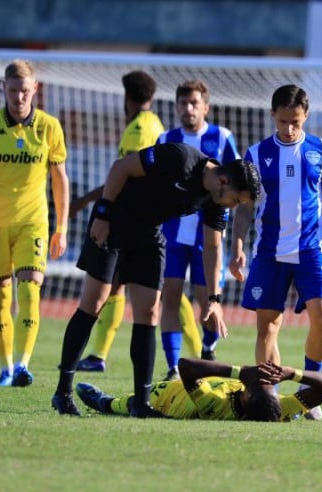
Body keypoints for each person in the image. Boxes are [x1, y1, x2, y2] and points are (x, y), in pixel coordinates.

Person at [52, 142, 260, 417]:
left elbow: (212, 247)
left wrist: (214, 298)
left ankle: (141, 403)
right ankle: (63, 393)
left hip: (148, 234)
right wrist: (103, 213)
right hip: (114, 221)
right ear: (223, 181)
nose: (233, 207)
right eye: (236, 200)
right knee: (95, 302)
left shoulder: (215, 201)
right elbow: (121, 168)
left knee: (150, 311)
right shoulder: (179, 157)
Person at [229, 84, 322, 421]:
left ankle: (308, 394)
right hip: (269, 253)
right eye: (283, 122)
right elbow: (244, 205)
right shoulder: (255, 154)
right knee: (267, 329)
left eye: (295, 122)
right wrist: (237, 244)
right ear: (273, 115)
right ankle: (269, 396)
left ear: (306, 116)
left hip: (312, 251)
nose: (288, 129)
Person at [69, 70, 199, 373]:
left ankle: (200, 353)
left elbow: (127, 176)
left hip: (138, 222)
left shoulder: (140, 130)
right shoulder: (152, 125)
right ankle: (99, 355)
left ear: (126, 98)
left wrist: (88, 203)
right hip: (143, 220)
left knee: (164, 294)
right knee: (121, 288)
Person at [0, 59, 70, 387]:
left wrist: (61, 228)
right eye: (13, 91)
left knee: (30, 290)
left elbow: (59, 181)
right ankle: (6, 368)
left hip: (33, 222)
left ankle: (24, 364)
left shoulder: (50, 127)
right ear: (4, 90)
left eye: (24, 91)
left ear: (34, 89)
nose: (19, 97)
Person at [157, 80, 242, 381]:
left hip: (208, 236)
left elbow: (238, 183)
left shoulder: (221, 138)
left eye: (194, 103)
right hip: (172, 235)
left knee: (208, 300)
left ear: (206, 106)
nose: (188, 108)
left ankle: (207, 352)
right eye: (183, 103)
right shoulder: (166, 139)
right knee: (170, 298)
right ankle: (172, 367)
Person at [75, 357, 322, 422]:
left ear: (247, 395)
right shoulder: (277, 410)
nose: (269, 381)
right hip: (181, 390)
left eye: (265, 384)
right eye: (272, 385)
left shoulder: (214, 404)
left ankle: (103, 402)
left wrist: (240, 373)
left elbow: (186, 366)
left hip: (165, 398)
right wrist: (292, 373)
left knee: (118, 405)